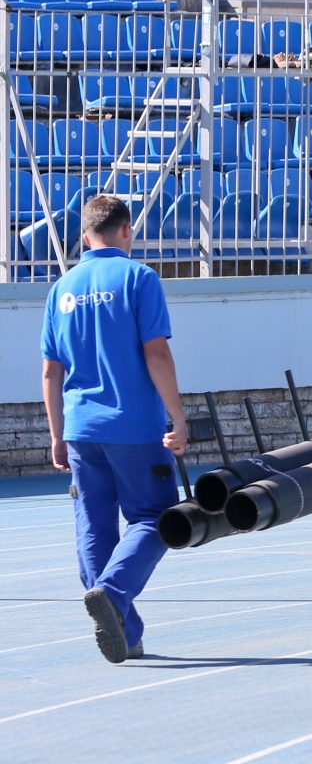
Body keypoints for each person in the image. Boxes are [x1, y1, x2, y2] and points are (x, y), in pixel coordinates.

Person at [41, 195, 187, 663]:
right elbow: (156, 353)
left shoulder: (61, 288)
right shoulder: (138, 278)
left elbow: (50, 371)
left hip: (82, 427)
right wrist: (178, 417)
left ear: (85, 236)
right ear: (127, 231)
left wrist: (56, 433)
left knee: (94, 524)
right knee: (155, 517)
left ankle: (124, 626)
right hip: (134, 427)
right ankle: (114, 591)